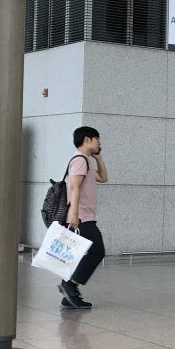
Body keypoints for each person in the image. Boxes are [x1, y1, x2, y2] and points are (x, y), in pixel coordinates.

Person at [60, 126, 109, 310]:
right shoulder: (80, 160)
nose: (99, 144)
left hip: (84, 215)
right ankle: (69, 285)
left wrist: (98, 158)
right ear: (87, 139)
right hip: (81, 217)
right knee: (97, 251)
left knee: (79, 254)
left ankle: (68, 297)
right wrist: (74, 214)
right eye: (97, 140)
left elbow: (103, 178)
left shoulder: (86, 161)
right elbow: (74, 187)